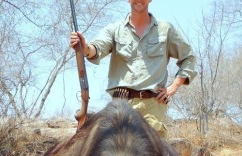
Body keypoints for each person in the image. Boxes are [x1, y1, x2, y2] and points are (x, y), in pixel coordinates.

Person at [70, 0, 197, 139]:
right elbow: (97, 48)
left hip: (152, 107)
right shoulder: (114, 29)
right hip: (120, 106)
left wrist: (174, 87)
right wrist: (85, 47)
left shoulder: (166, 30)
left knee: (153, 155)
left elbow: (189, 58)